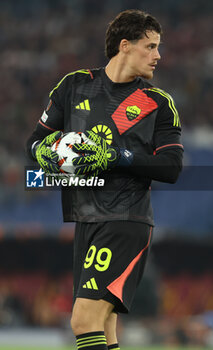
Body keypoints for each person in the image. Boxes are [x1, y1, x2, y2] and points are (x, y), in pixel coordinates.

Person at [26, 9, 183, 350]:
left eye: (159, 47)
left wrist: (117, 157)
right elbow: (35, 142)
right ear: (124, 46)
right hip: (86, 217)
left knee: (83, 320)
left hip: (126, 218)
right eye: (151, 46)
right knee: (104, 326)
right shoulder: (74, 85)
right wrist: (47, 155)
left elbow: (172, 167)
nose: (158, 55)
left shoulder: (156, 103)